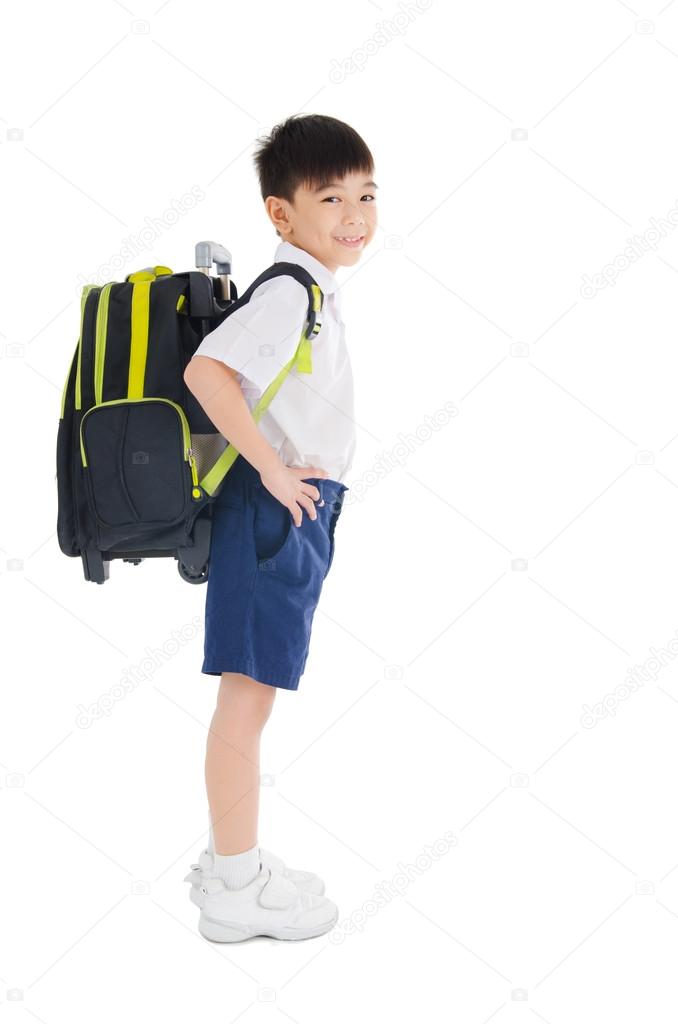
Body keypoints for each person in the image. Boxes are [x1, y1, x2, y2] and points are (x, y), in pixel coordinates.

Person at [182, 113, 378, 942]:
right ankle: (233, 885)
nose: (354, 214)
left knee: (251, 695)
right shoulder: (290, 290)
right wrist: (268, 466)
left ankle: (236, 861)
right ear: (281, 214)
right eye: (330, 196)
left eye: (366, 193)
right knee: (247, 698)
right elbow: (206, 373)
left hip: (289, 509)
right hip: (274, 509)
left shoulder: (310, 290)